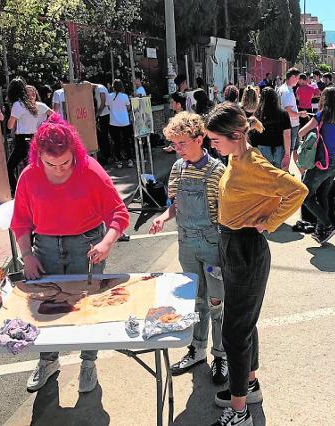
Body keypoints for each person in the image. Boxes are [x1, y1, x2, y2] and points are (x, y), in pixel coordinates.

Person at [10, 114, 129, 393]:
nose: (60, 169)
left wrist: (107, 243)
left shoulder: (90, 169)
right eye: (51, 164)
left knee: (88, 307)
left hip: (86, 245)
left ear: (75, 151)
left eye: (66, 162)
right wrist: (27, 254)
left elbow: (118, 213)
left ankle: (89, 362)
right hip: (45, 247)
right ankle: (48, 360)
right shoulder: (29, 175)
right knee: (45, 306)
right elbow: (21, 221)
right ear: (38, 155)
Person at [205, 102, 307, 426]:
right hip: (232, 244)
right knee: (243, 323)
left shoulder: (254, 164)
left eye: (215, 139)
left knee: (234, 333)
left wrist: (269, 222)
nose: (211, 145)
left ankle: (240, 412)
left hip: (246, 247)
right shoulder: (236, 157)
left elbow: (297, 190)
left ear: (235, 135)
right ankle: (248, 385)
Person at [149, 111, 228, 384]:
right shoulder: (177, 168)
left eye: (182, 143)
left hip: (212, 244)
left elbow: (226, 212)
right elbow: (176, 205)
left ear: (200, 138)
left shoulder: (218, 171)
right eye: (175, 144)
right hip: (186, 244)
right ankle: (197, 349)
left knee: (217, 301)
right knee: (195, 300)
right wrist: (163, 217)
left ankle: (221, 355)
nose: (178, 149)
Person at [298, 87, 335, 244]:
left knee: (305, 196)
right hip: (333, 163)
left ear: (324, 99)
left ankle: (327, 224)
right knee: (322, 196)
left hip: (319, 164)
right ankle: (321, 232)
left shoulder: (321, 116)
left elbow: (301, 132)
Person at [6, 77, 52, 193]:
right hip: (34, 137)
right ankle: (35, 189)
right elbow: (54, 115)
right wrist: (44, 125)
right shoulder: (39, 105)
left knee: (10, 167)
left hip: (22, 138)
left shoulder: (18, 105)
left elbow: (10, 126)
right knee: (31, 165)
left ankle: (18, 190)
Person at [251, 87, 291, 170]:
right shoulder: (283, 114)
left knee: (265, 175)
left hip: (262, 147)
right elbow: (287, 135)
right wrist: (287, 154)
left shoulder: (257, 114)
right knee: (279, 174)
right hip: (279, 147)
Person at [277, 68, 307, 167]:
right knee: (288, 150)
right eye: (298, 78)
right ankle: (285, 171)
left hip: (289, 124)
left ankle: (292, 170)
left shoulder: (282, 89)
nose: (298, 81)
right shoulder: (287, 92)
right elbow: (288, 111)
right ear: (293, 77)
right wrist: (300, 114)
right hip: (291, 125)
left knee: (293, 149)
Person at [107, 79, 134, 169]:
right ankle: (129, 159)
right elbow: (129, 108)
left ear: (113, 87)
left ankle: (118, 161)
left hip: (113, 122)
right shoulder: (125, 96)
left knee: (116, 142)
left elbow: (108, 107)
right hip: (125, 122)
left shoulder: (109, 96)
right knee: (127, 141)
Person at [93, 80, 112, 165]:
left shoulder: (99, 88)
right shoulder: (99, 88)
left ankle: (107, 156)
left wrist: (97, 114)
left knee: (103, 136)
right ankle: (106, 155)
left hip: (104, 115)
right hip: (103, 114)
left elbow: (103, 102)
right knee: (102, 136)